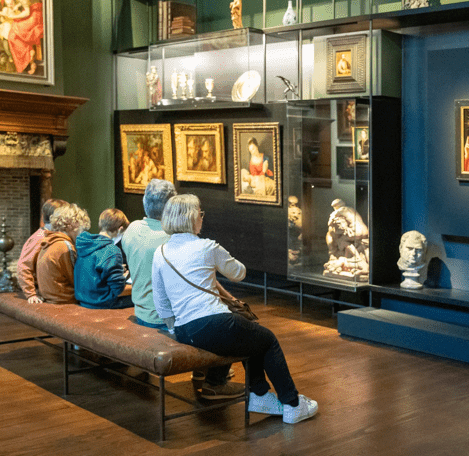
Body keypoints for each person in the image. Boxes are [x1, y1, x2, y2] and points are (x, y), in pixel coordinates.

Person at [152, 194, 318, 422]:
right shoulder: (207, 247)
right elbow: (239, 273)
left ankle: (259, 393)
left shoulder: (160, 253)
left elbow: (161, 303)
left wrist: (174, 328)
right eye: (200, 214)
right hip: (215, 324)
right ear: (192, 218)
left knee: (250, 336)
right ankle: (292, 404)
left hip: (183, 331)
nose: (202, 218)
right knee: (267, 340)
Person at [121, 179, 176, 329]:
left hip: (141, 314)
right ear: (171, 207)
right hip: (169, 320)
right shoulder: (174, 237)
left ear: (145, 202)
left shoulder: (132, 229)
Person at [74, 208, 134, 310]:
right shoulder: (112, 250)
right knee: (145, 297)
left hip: (84, 299)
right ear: (120, 229)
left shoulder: (85, 244)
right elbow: (117, 289)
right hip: (102, 302)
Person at [35, 203, 90, 304]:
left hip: (51, 297)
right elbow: (77, 280)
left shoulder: (50, 241)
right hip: (65, 299)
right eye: (81, 228)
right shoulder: (65, 246)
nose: (82, 232)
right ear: (72, 225)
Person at [16, 198, 68, 303]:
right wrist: (31, 294)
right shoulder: (39, 237)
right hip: (40, 289)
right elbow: (23, 266)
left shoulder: (56, 235)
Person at [7, 0, 44, 74]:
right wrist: (17, 7)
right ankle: (30, 55)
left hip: (33, 18)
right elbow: (31, 0)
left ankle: (29, 57)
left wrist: (13, 16)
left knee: (13, 35)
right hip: (40, 14)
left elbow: (27, 12)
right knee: (16, 29)